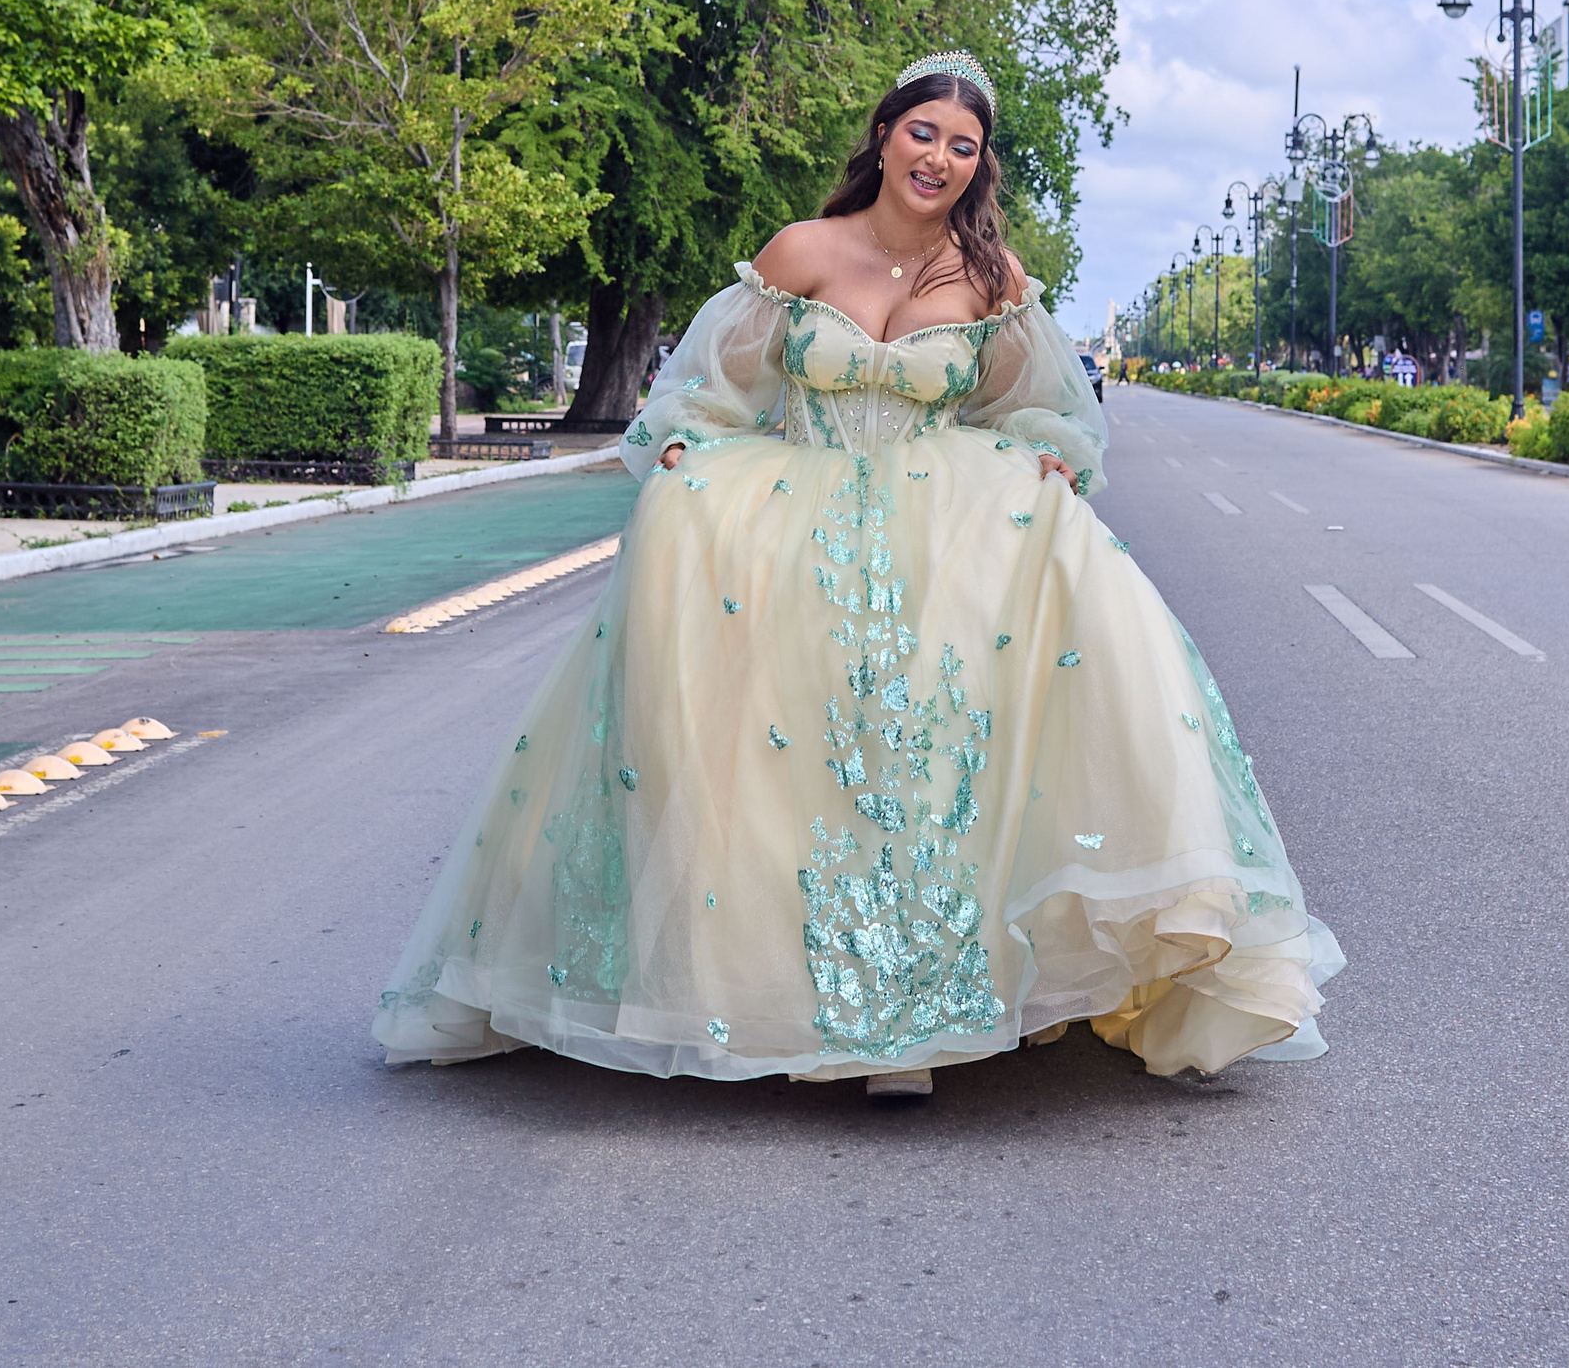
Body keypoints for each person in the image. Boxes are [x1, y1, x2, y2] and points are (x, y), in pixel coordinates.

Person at [372, 53, 1343, 1100]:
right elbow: (712, 387)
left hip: (946, 520)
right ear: (884, 136)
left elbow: (1041, 404)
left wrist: (1053, 453)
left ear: (981, 167)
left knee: (929, 747)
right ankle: (776, 992)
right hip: (795, 515)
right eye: (924, 133)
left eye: (963, 147)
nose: (940, 158)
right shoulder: (801, 252)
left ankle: (917, 1013)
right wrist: (683, 452)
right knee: (794, 754)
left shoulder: (993, 278)